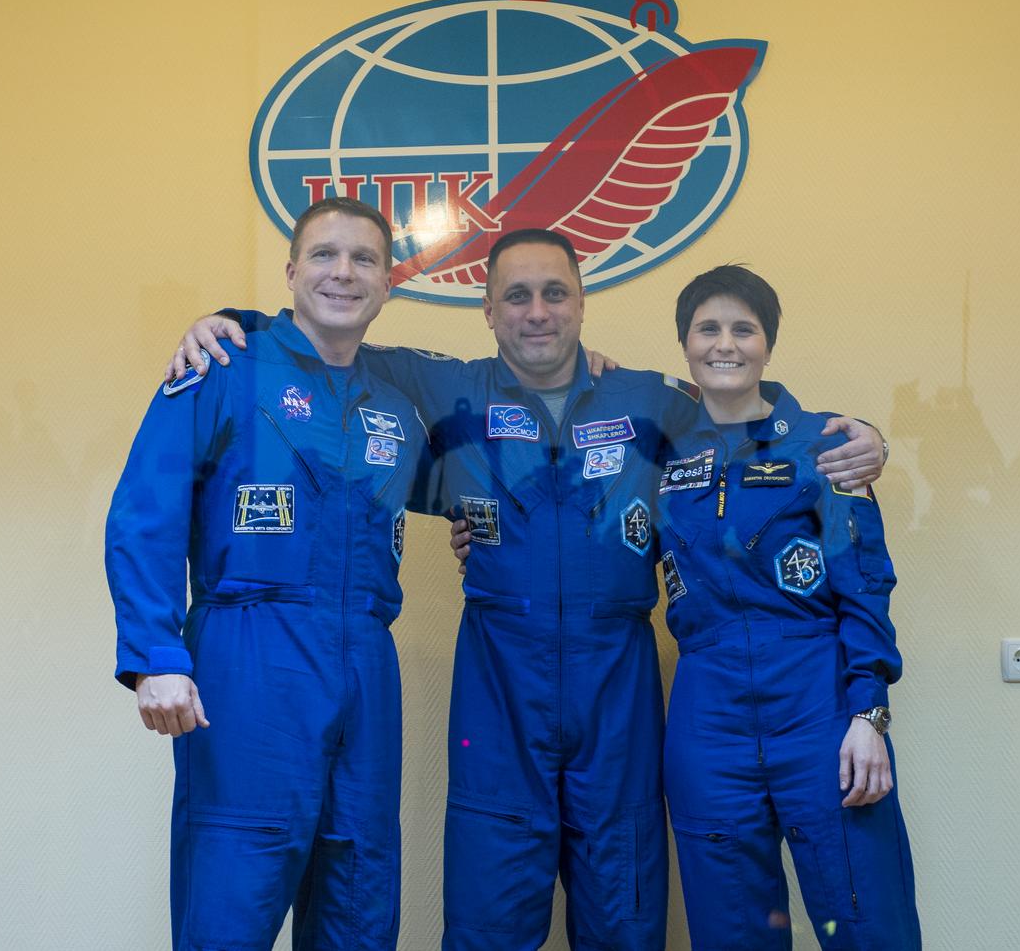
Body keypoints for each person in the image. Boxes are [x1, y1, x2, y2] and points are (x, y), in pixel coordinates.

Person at [166, 229, 886, 950]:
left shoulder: (648, 400)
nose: (536, 311)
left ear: (582, 303)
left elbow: (746, 416)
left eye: (554, 294)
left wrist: (861, 442)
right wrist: (230, 325)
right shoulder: (445, 386)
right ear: (486, 309)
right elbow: (325, 339)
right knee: (489, 910)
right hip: (498, 682)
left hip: (618, 683)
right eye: (516, 295)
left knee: (624, 907)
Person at [105, 197, 429, 950]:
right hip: (251, 659)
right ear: (290, 273)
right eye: (323, 255)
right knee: (235, 893)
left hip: (366, 668)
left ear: (389, 284)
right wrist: (156, 656)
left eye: (364, 259)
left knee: (359, 889)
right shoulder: (221, 367)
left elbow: (496, 475)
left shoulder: (400, 406)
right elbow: (145, 511)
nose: (343, 273)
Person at [656, 265, 920, 949]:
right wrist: (479, 532)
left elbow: (865, 586)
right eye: (707, 328)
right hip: (706, 714)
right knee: (732, 926)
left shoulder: (826, 446)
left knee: (866, 916)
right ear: (685, 343)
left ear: (767, 343)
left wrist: (869, 713)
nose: (725, 344)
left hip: (817, 705)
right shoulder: (656, 457)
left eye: (744, 329)